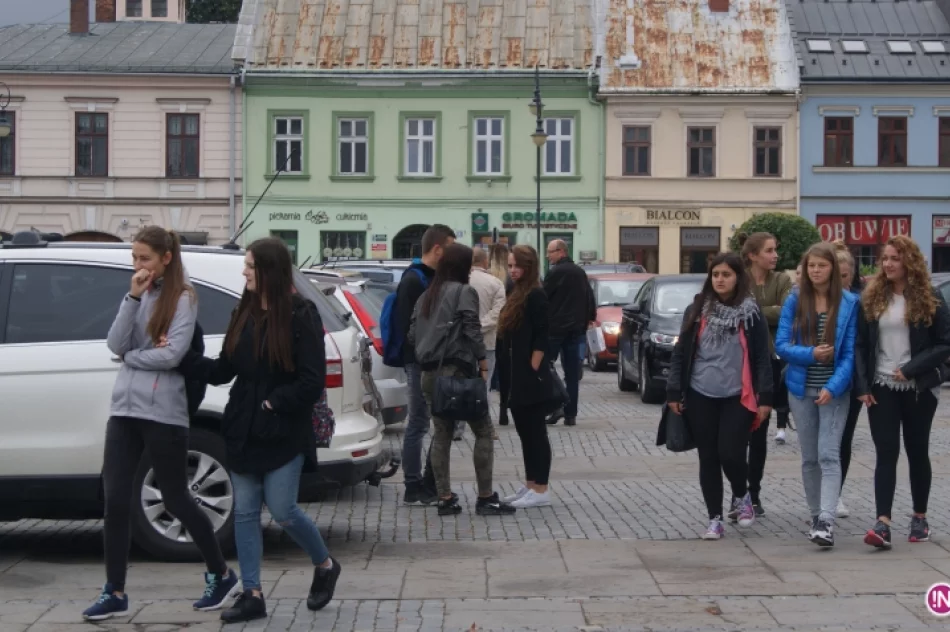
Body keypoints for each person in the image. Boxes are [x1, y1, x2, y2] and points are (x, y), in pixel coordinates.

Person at [178, 238, 339, 623]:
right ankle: (252, 594)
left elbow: (311, 380)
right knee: (246, 514)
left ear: (269, 269)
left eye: (249, 265)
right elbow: (224, 369)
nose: (244, 271)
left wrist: (274, 402)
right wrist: (185, 357)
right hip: (244, 429)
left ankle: (325, 564)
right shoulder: (244, 311)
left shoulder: (303, 314)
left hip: (283, 430)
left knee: (283, 509)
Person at [84, 226, 237, 621]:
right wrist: (132, 298)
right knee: (115, 499)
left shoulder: (183, 299)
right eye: (134, 258)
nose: (137, 266)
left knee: (176, 498)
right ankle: (114, 591)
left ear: (166, 258)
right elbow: (115, 343)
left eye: (144, 259)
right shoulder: (138, 294)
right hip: (125, 409)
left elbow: (171, 357)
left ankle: (220, 574)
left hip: (164, 412)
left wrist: (133, 357)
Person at [667, 252, 773, 540]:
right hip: (700, 393)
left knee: (731, 452)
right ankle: (714, 518)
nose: (720, 279)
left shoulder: (751, 313)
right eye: (716, 275)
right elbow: (681, 352)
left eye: (726, 274)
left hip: (738, 395)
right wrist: (674, 391)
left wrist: (765, 398)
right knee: (709, 457)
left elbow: (762, 358)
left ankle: (742, 495)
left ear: (738, 277)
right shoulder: (698, 309)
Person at [855, 235, 950, 549]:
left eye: (895, 258)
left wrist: (912, 368)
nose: (888, 264)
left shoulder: (930, 297)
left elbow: (944, 344)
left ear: (909, 262)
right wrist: (863, 385)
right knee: (886, 453)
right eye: (885, 258)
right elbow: (861, 346)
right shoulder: (873, 297)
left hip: (918, 388)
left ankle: (919, 517)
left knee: (917, 450)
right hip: (882, 387)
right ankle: (882, 523)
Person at [409, 243, 516, 516]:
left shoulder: (426, 295)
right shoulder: (463, 291)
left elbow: (411, 334)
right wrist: (482, 363)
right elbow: (472, 328)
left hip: (429, 375)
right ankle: (485, 497)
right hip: (457, 372)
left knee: (441, 435)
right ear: (462, 267)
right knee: (482, 432)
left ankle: (444, 498)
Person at [776, 242, 859, 548]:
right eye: (811, 266)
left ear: (833, 270)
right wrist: (811, 353)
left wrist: (833, 387)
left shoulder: (849, 302)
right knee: (810, 457)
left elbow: (850, 354)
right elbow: (781, 345)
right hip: (800, 389)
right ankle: (815, 516)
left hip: (834, 391)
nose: (815, 271)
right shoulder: (795, 301)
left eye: (821, 266)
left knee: (829, 454)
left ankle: (826, 520)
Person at [395, 225, 456, 505]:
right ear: (438, 249)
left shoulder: (431, 277)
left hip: (432, 360)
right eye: (451, 248)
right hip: (420, 362)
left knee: (434, 422)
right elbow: (410, 327)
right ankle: (412, 485)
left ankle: (426, 482)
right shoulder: (414, 280)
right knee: (418, 423)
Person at [739, 232, 793, 520]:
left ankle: (754, 493)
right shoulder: (740, 278)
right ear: (753, 255)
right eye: (769, 251)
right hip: (739, 363)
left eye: (775, 250)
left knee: (760, 432)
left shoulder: (781, 280)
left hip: (770, 363)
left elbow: (787, 313)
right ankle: (739, 493)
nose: (775, 255)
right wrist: (765, 312)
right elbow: (735, 313)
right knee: (738, 434)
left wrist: (753, 311)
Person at [497, 245, 556, 509]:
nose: (512, 270)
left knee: (535, 433)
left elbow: (543, 336)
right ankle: (531, 483)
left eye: (516, 266)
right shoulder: (516, 292)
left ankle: (541, 488)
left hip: (530, 375)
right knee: (524, 432)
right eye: (509, 266)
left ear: (529, 266)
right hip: (516, 372)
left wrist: (533, 367)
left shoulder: (536, 295)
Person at [543, 240, 596, 426]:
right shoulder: (580, 272)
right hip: (576, 330)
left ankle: (556, 405)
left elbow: (543, 297)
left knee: (545, 367)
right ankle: (570, 414)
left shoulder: (554, 273)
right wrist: (589, 318)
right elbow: (589, 296)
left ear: (561, 252)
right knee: (572, 374)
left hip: (555, 329)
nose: (547, 256)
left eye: (550, 252)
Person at [457, 246, 506, 441]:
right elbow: (498, 314)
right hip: (487, 342)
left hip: (461, 341)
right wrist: (480, 326)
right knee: (483, 387)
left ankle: (457, 429)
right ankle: (484, 428)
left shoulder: (460, 282)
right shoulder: (496, 283)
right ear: (485, 262)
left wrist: (468, 329)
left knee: (460, 384)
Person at [832, 240, 864, 519]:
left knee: (843, 437)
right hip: (820, 379)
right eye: (835, 275)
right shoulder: (814, 301)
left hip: (852, 381)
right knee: (821, 441)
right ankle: (820, 492)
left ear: (851, 275)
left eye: (844, 276)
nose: (840, 281)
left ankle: (836, 493)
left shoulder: (859, 302)